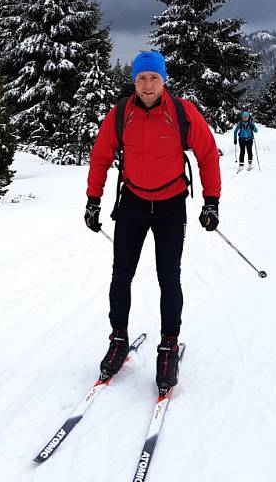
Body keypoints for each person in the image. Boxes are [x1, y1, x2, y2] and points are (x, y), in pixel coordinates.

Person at [83, 50, 221, 392]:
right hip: (132, 203)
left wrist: (212, 201)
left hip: (171, 204)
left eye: (154, 78)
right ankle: (118, 339)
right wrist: (93, 200)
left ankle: (168, 344)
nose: (148, 85)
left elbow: (207, 155)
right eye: (142, 78)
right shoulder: (120, 114)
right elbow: (100, 156)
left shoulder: (182, 113)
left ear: (164, 80)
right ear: (134, 81)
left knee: (168, 277)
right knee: (121, 274)